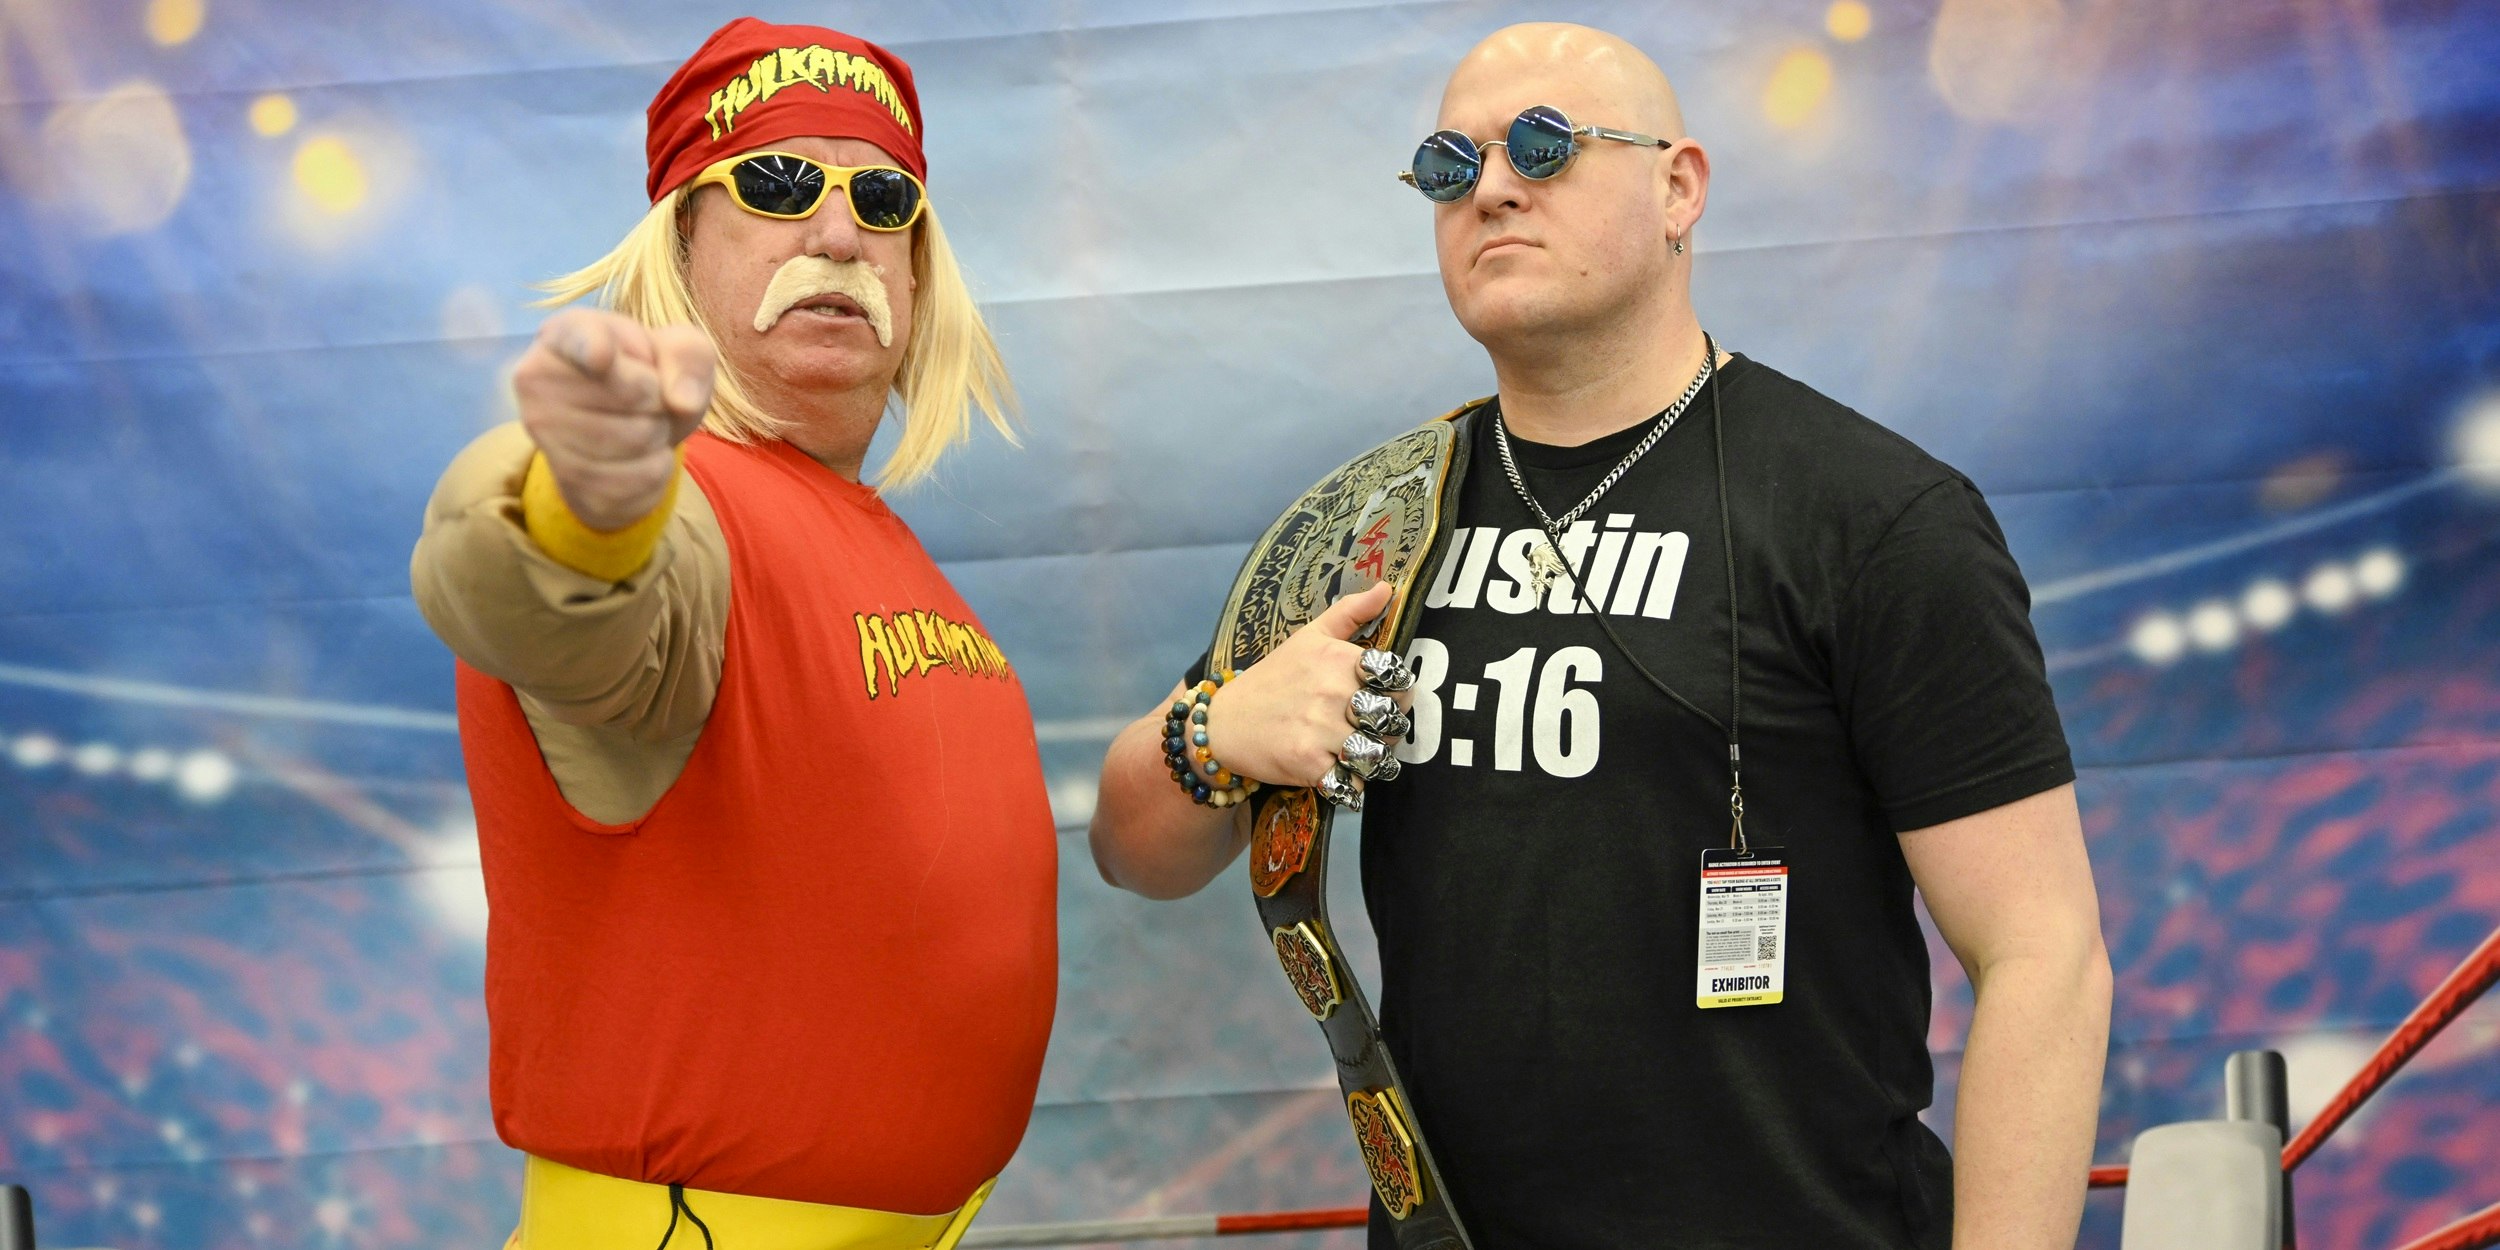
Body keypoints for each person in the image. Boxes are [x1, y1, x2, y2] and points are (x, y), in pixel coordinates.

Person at [1089, 22, 2112, 1249]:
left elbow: (2043, 955)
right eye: (1448, 165)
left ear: (1679, 187)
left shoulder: (1874, 517)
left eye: (1544, 145)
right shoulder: (1372, 526)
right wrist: (1220, 732)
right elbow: (1132, 847)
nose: (1495, 189)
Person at [411, 18, 1054, 1249]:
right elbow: (519, 574)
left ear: (920, 272)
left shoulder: (866, 531)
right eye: (773, 182)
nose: (835, 231)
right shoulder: (685, 507)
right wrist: (582, 498)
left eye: (883, 197)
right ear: (681, 242)